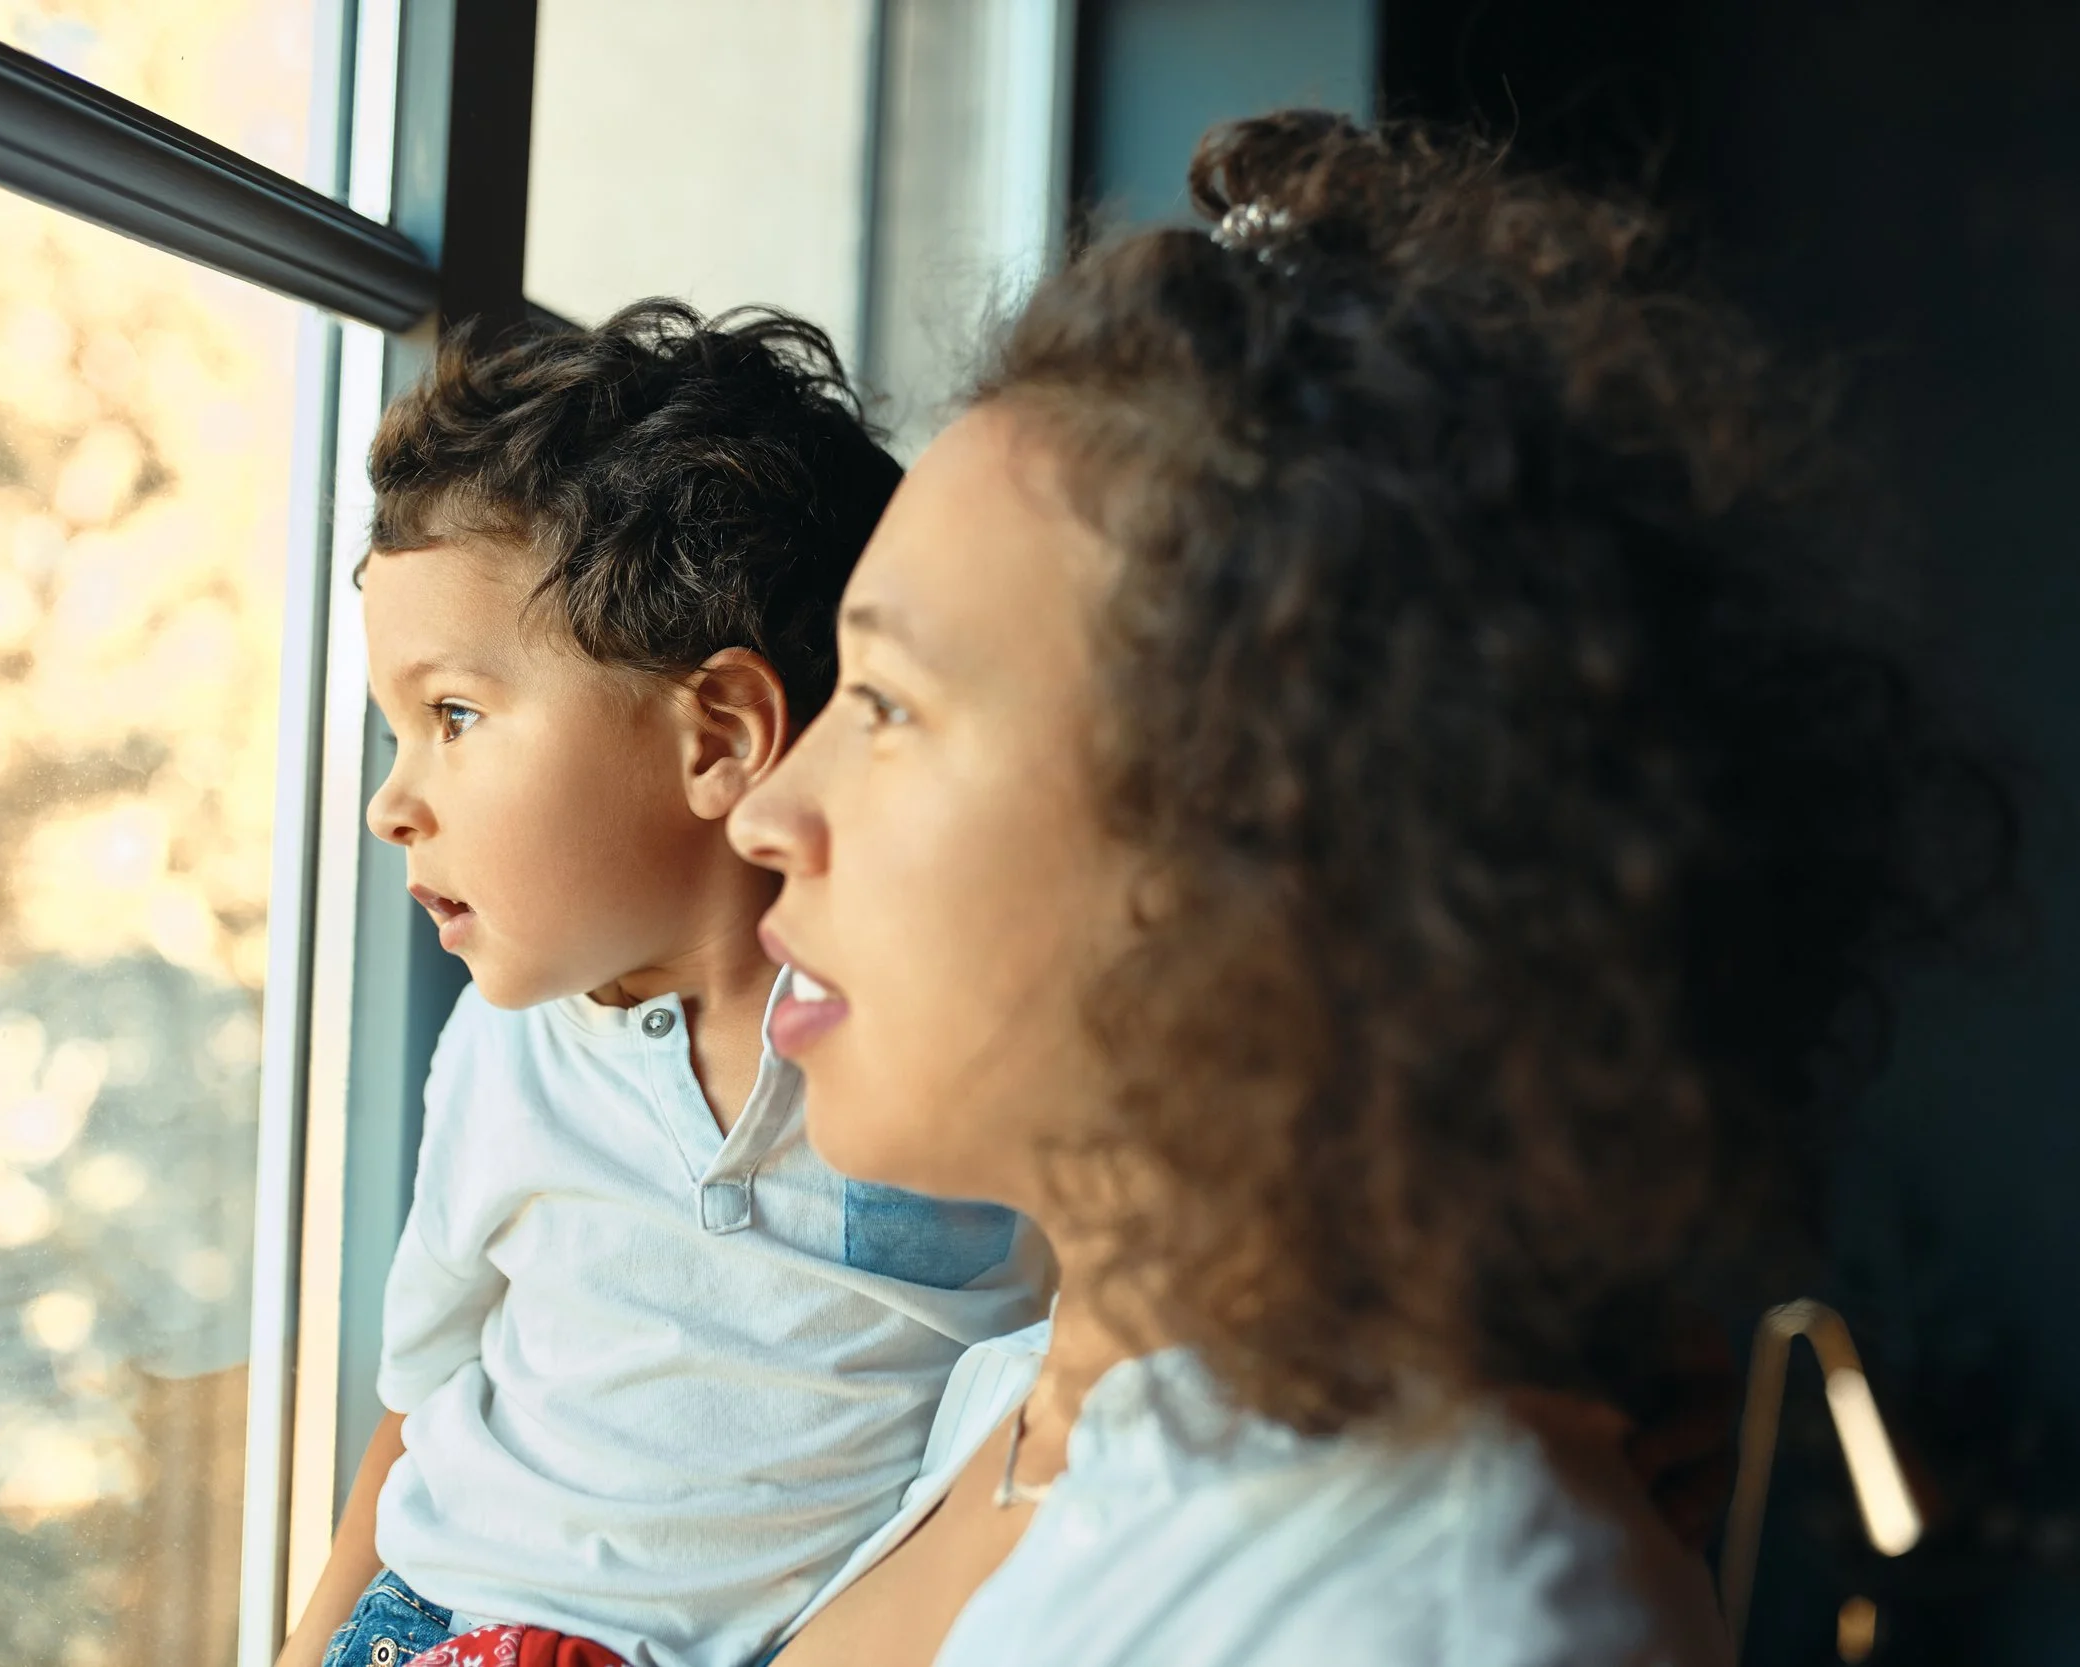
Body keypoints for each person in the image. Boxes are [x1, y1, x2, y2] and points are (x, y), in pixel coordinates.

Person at [729, 112, 2010, 1665]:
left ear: (1254, 840)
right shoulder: (1029, 1401)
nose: (765, 810)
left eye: (886, 703)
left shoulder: (1446, 1623)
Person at [276, 303, 1050, 1667]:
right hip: (446, 1629)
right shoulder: (501, 1051)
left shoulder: (947, 1051)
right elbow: (421, 1398)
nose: (394, 801)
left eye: (451, 715)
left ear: (720, 736)